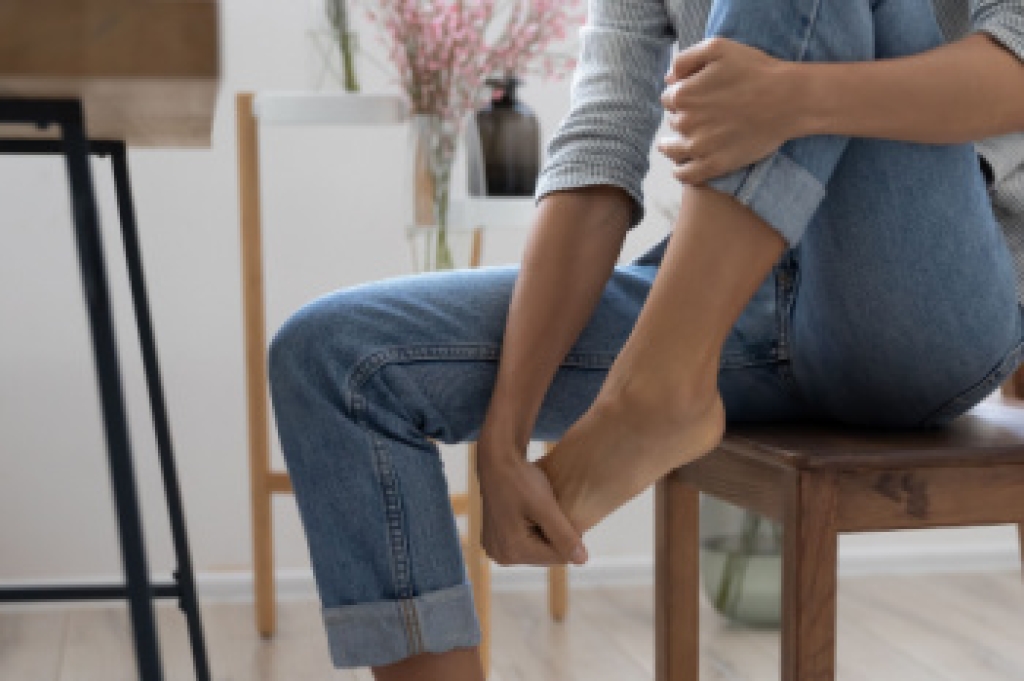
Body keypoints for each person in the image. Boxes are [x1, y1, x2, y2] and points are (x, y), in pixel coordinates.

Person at [267, 0, 1024, 678]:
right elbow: (599, 147)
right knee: (335, 357)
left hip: (920, 299)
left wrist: (797, 96)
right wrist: (506, 431)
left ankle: (658, 390)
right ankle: (665, 375)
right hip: (726, 298)